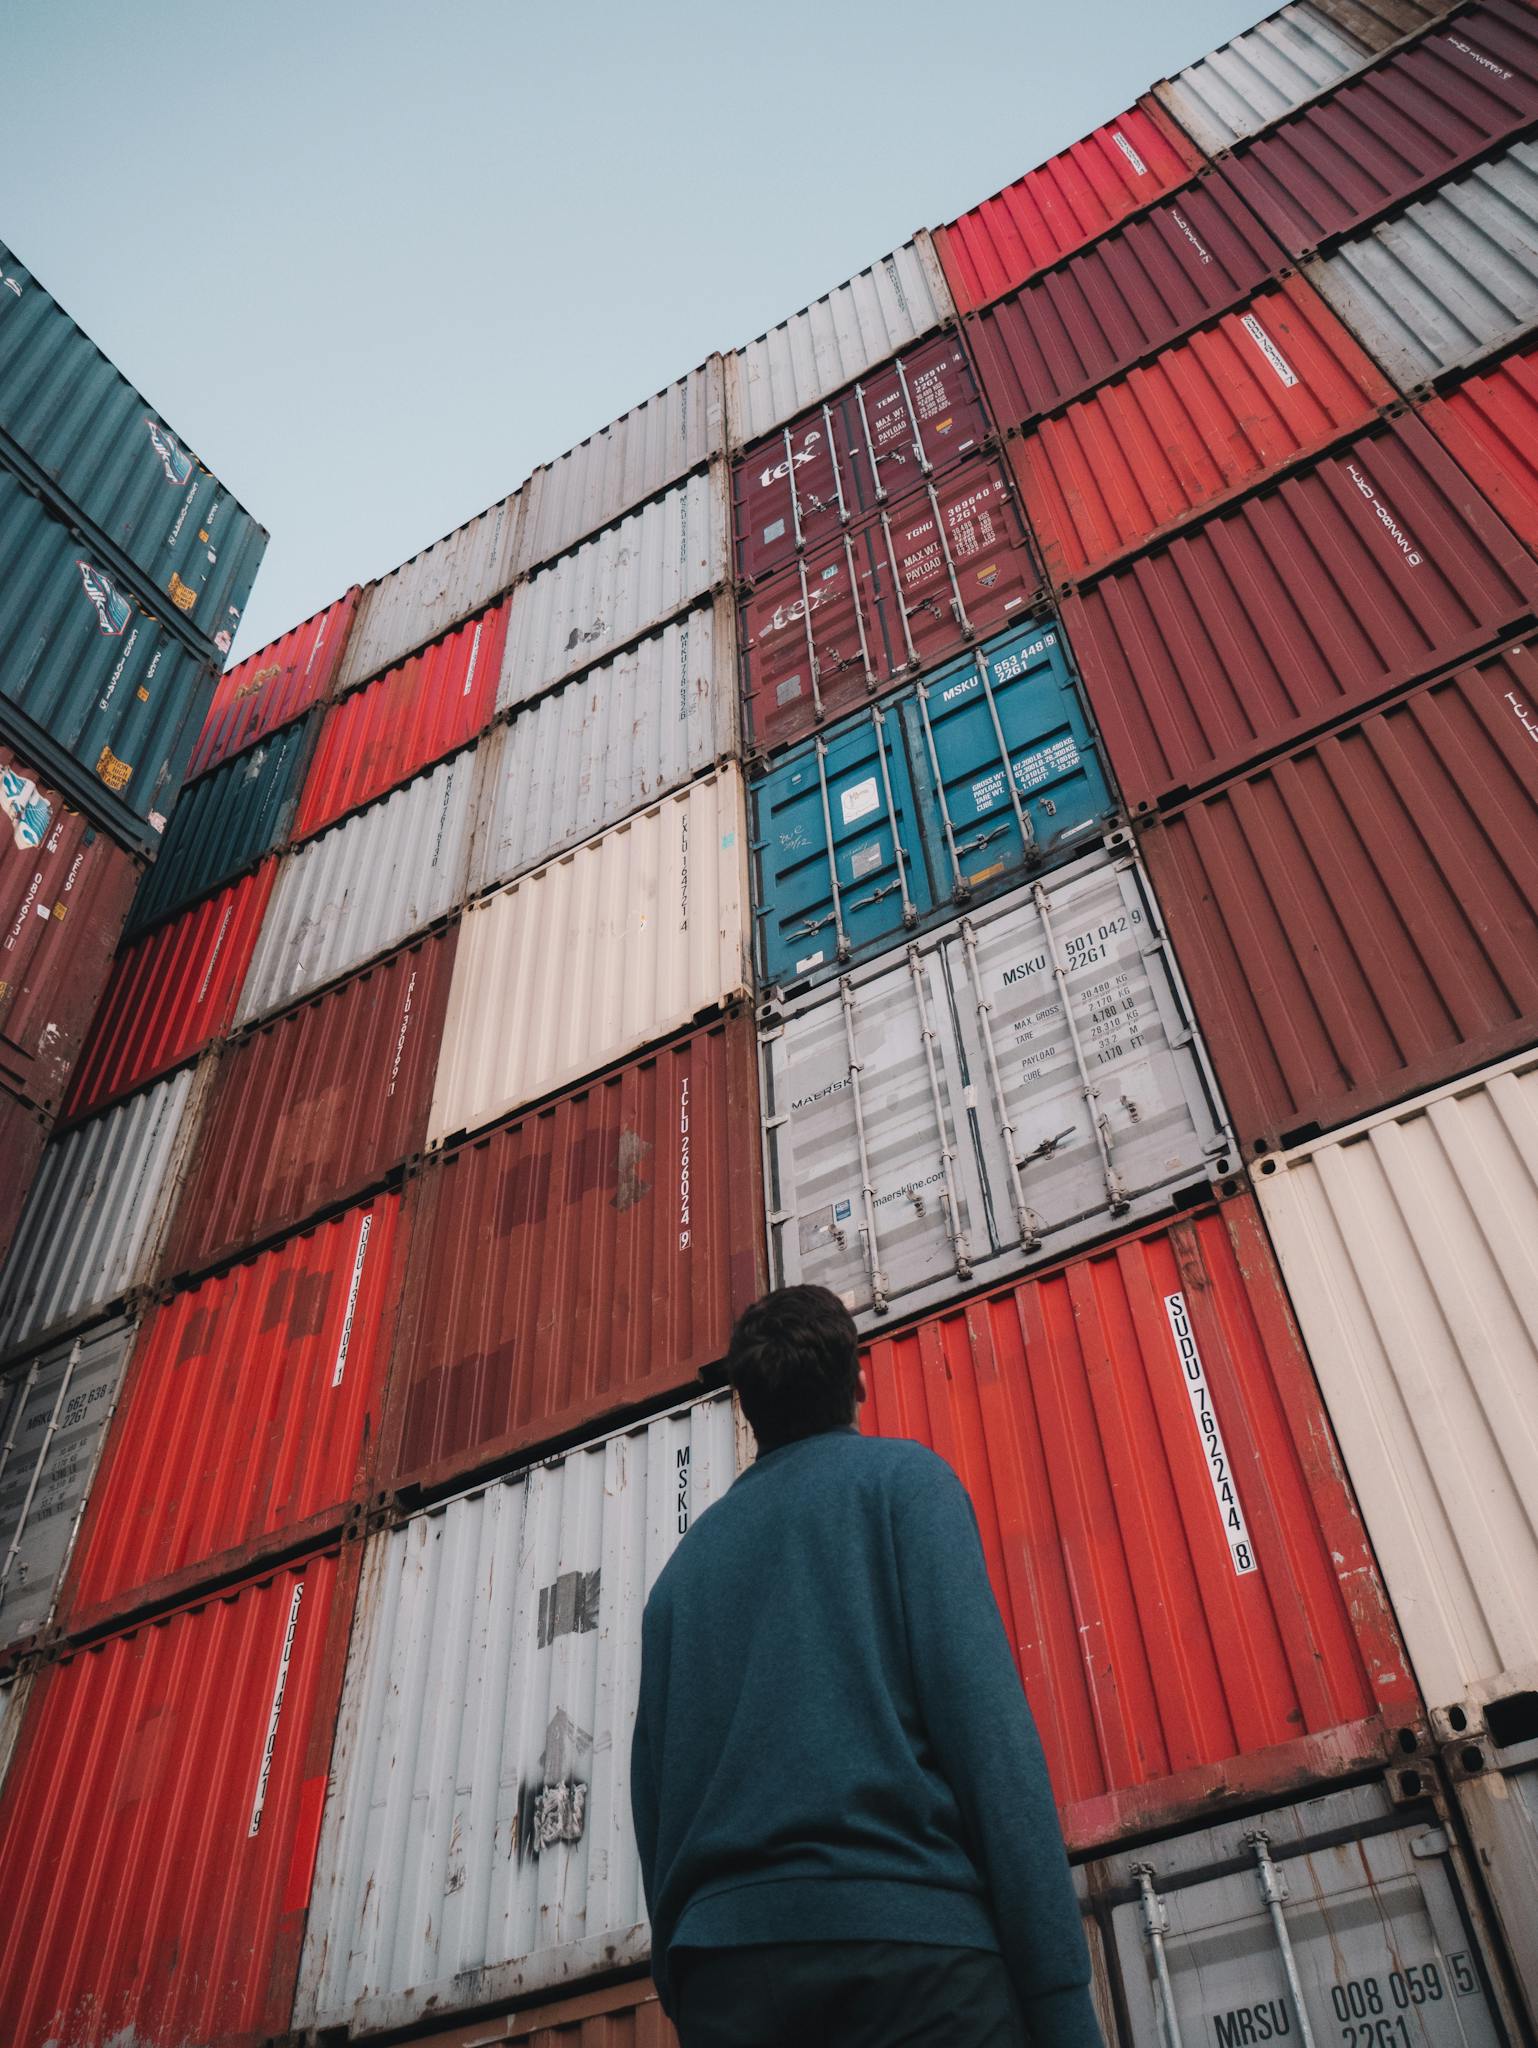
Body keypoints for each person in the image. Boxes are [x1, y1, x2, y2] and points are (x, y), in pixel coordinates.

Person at [629, 1284, 1102, 2048]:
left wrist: (692, 1988)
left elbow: (655, 1816)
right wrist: (1059, 1998)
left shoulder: (676, 1585)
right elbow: (992, 1747)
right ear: (858, 1381)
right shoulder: (905, 1487)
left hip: (730, 1986)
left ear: (746, 1411)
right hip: (914, 1962)